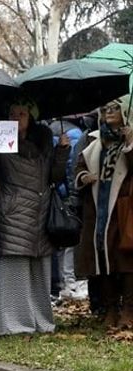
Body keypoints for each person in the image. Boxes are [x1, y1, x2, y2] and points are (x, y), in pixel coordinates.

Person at [0, 96, 68, 336]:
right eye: (13, 112)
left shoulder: (43, 141)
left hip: (40, 212)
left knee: (39, 269)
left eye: (22, 113)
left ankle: (41, 320)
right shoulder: (1, 138)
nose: (16, 117)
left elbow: (54, 175)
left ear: (30, 117)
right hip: (13, 211)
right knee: (15, 267)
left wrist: (62, 151)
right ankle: (15, 324)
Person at [74, 100, 133, 329]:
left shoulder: (130, 137)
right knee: (102, 258)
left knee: (126, 259)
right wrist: (84, 177)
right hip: (99, 208)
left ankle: (128, 309)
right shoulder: (93, 139)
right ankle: (109, 309)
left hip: (124, 207)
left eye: (115, 107)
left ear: (125, 111)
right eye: (105, 108)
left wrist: (129, 143)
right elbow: (79, 167)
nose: (109, 111)